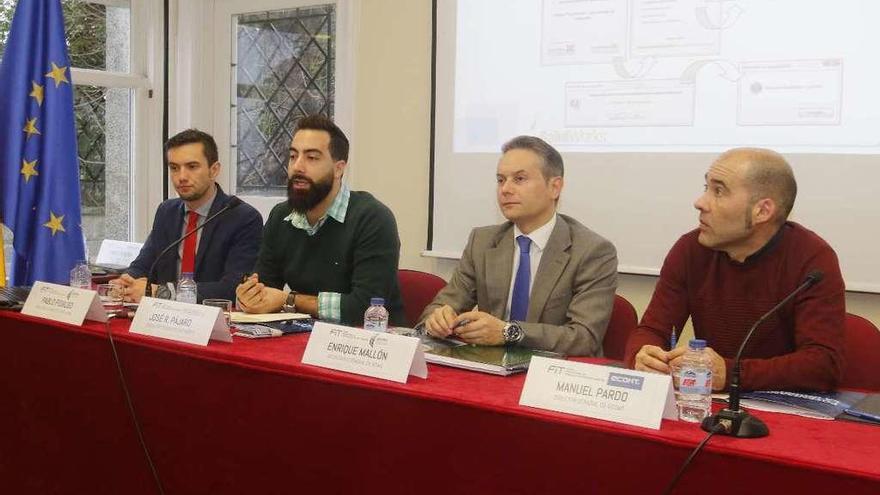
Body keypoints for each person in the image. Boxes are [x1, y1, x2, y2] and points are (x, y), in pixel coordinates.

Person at [625, 148, 845, 391]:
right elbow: (652, 330)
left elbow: (822, 366)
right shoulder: (691, 249)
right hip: (711, 405)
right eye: (706, 187)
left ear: (762, 211)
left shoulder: (811, 258)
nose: (700, 202)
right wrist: (643, 355)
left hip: (786, 409)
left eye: (718, 191)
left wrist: (732, 373)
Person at [418, 136, 618, 355]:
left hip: (554, 374)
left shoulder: (592, 251)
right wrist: (437, 319)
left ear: (555, 187)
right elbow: (441, 306)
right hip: (489, 369)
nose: (505, 189)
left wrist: (507, 332)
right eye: (501, 180)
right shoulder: (482, 242)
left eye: (519, 179)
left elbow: (583, 338)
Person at [235, 115, 405, 325]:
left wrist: (289, 299)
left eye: (312, 158)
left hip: (368, 345)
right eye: (292, 156)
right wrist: (250, 296)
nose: (297, 167)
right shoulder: (281, 216)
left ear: (339, 168)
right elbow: (265, 287)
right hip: (303, 337)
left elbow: (365, 306)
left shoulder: (373, 219)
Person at [115, 129, 262, 303]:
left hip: (212, 321)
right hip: (162, 319)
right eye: (174, 168)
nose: (182, 177)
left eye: (192, 167)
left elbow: (234, 287)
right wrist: (125, 282)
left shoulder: (243, 217)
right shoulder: (166, 211)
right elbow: (143, 265)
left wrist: (164, 293)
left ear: (214, 170)